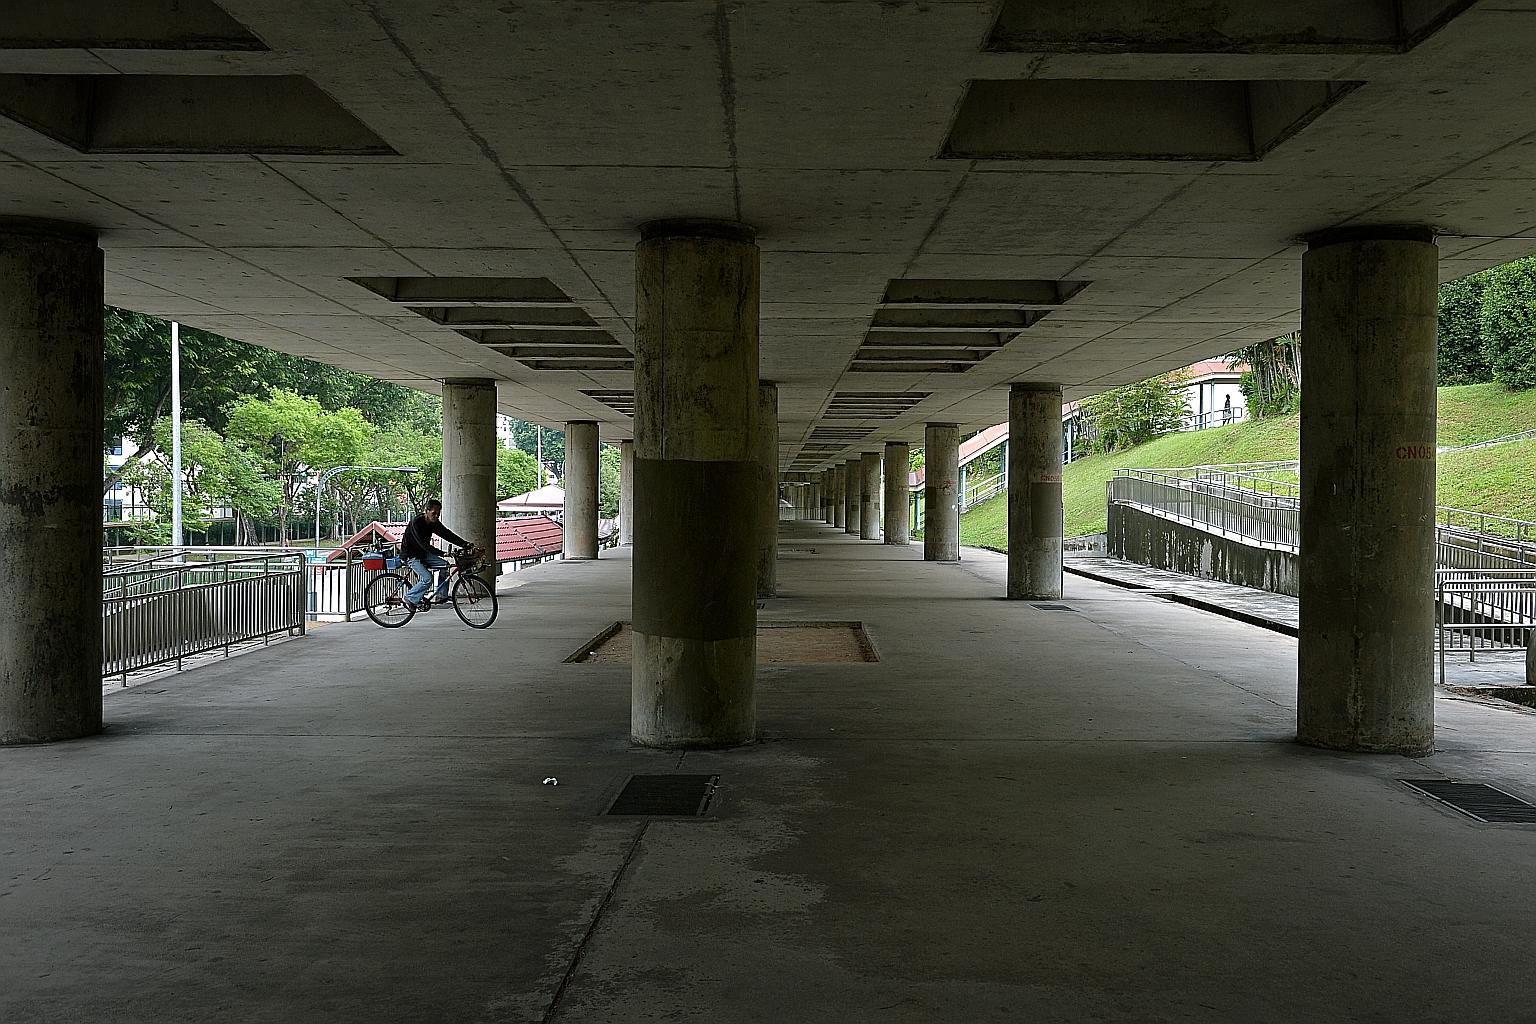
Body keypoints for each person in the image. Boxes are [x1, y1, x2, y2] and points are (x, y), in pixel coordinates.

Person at [401, 499, 474, 611]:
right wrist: (442, 553)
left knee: (445, 566)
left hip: (423, 554)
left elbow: (447, 534)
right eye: (433, 513)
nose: (436, 516)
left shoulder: (434, 523)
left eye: (438, 514)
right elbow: (423, 544)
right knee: (427, 578)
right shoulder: (416, 523)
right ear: (426, 511)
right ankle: (409, 598)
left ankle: (441, 596)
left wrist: (464, 544)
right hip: (410, 555)